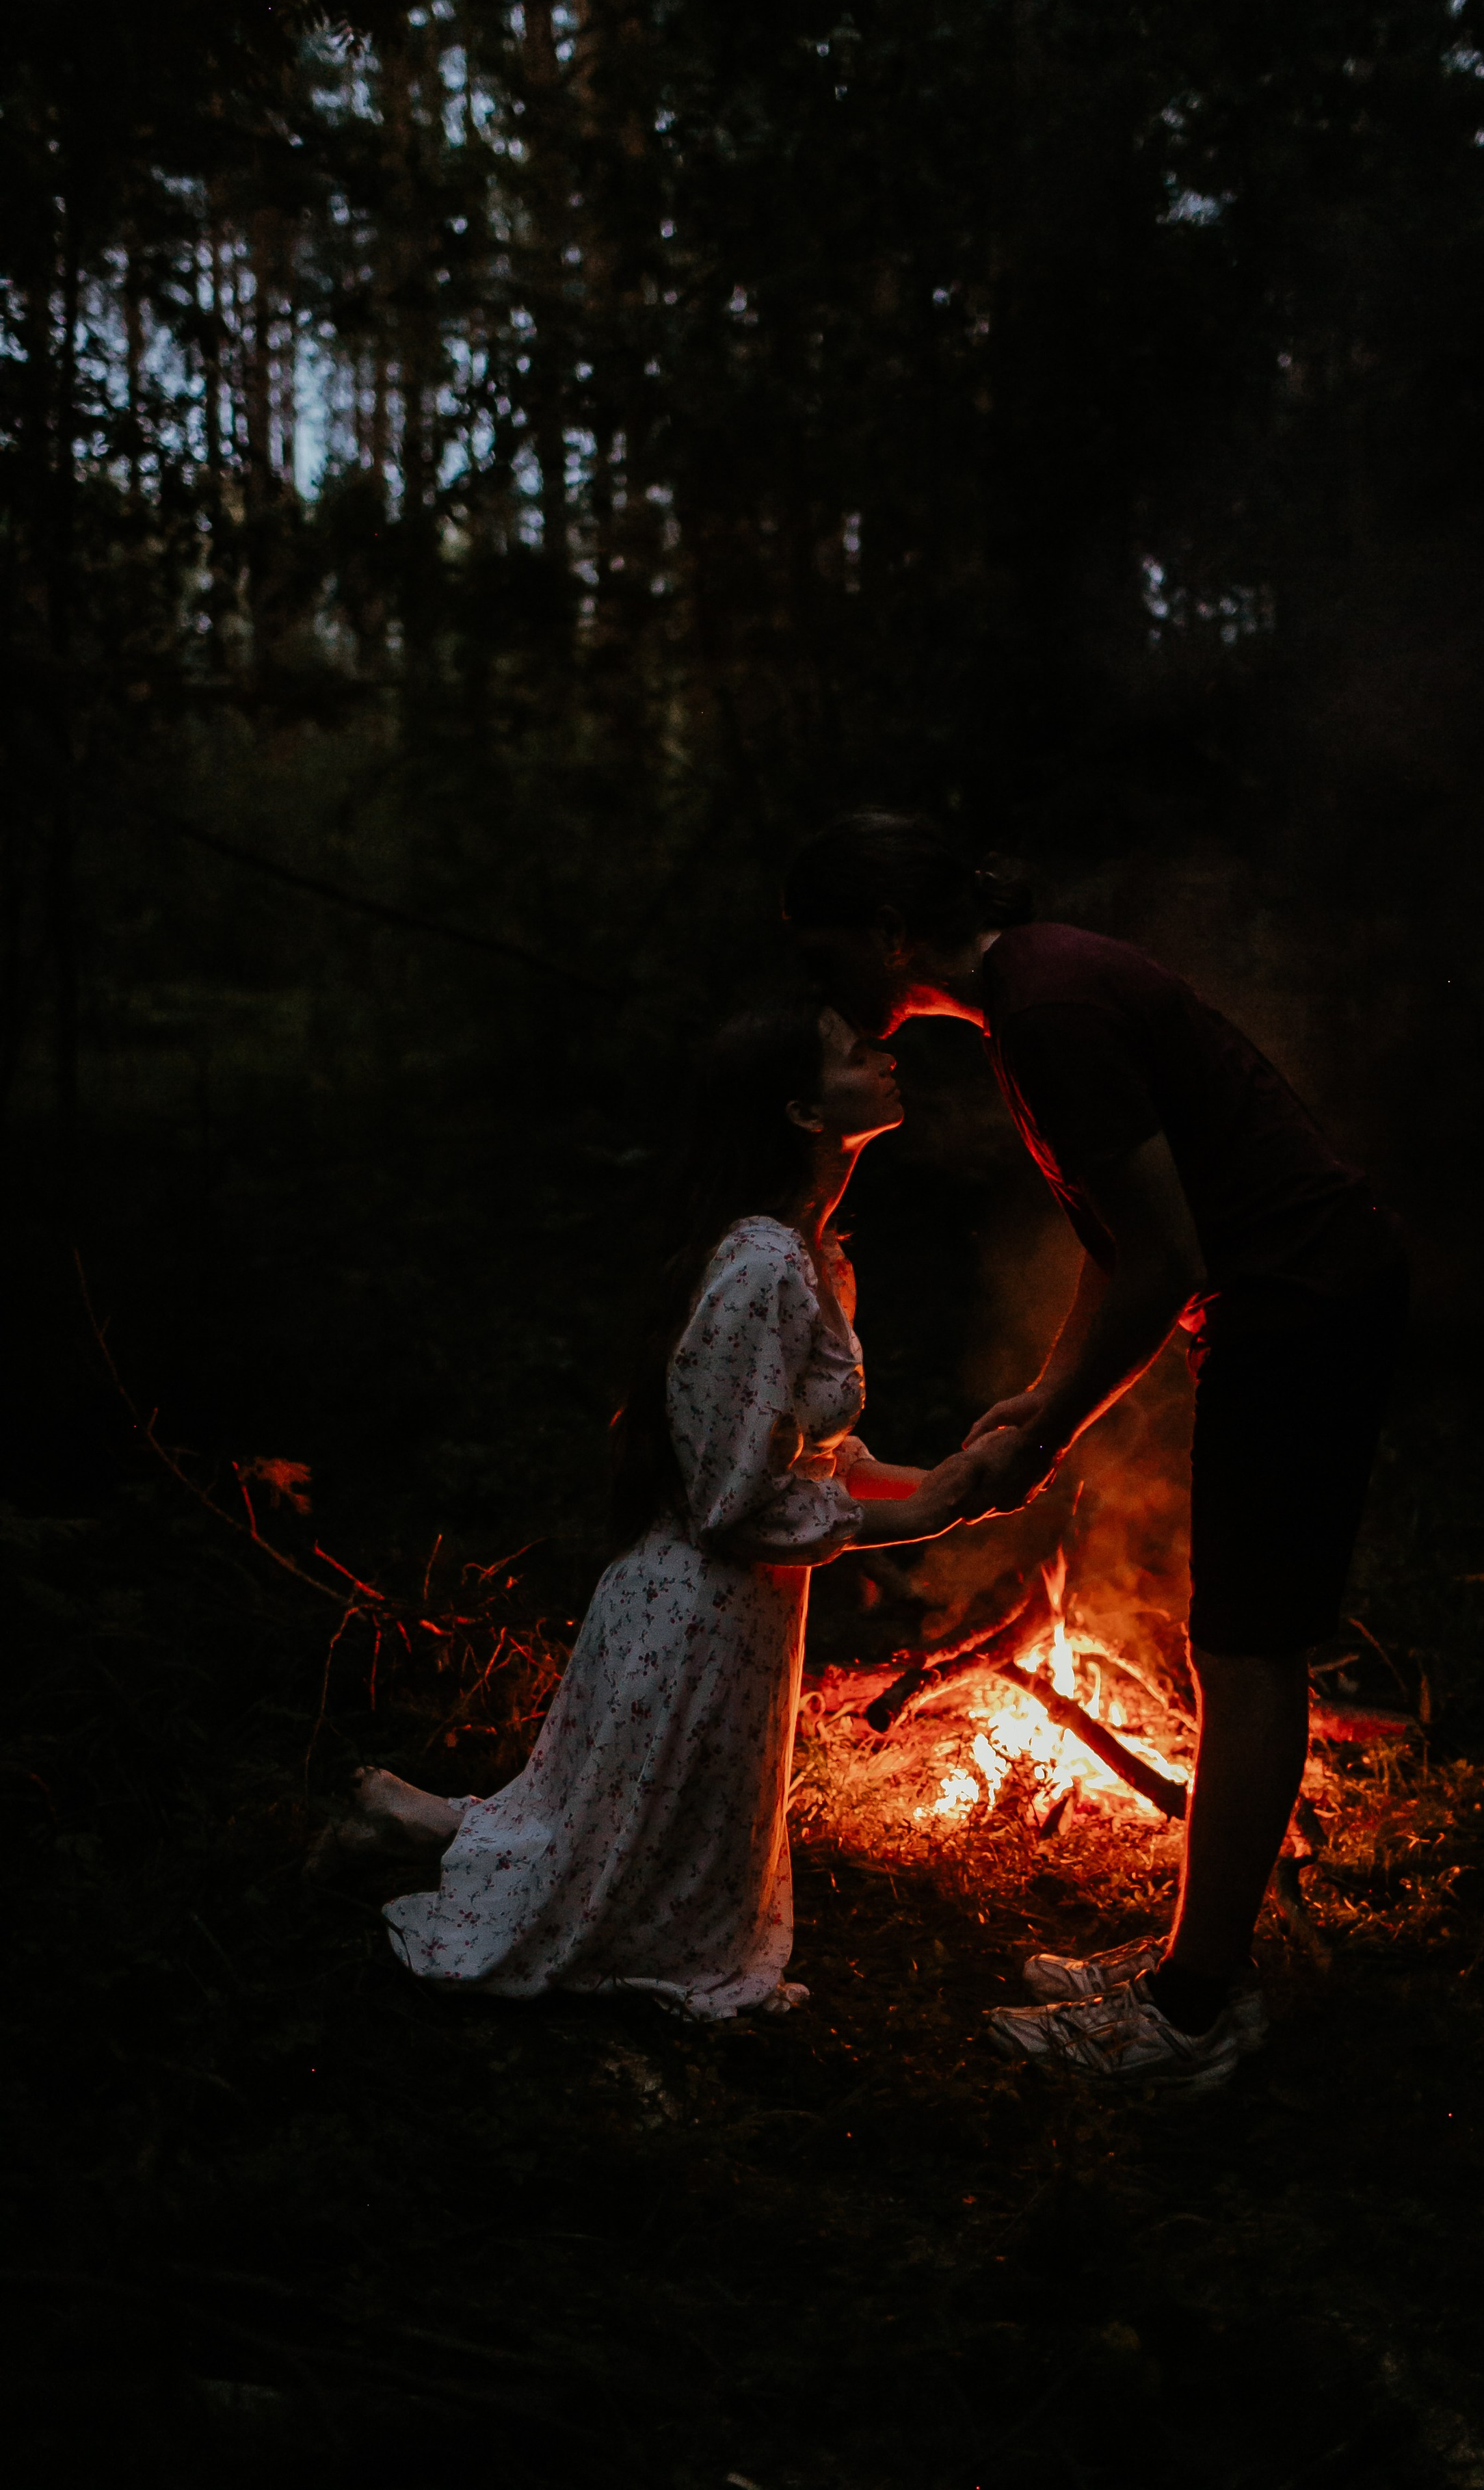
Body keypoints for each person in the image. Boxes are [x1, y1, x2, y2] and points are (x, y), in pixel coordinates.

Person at [785, 811, 1407, 2092]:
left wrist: (1046, 1434)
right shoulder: (1039, 992)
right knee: (1235, 1640)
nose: (822, 979)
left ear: (895, 935)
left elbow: (1167, 1255)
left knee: (1245, 1648)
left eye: (830, 947)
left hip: (1302, 1305)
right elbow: (1129, 1239)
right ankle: (1198, 1960)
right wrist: (1041, 1395)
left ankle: (1193, 2013)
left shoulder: (1052, 1012)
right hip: (1288, 1298)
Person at [325, 1003, 997, 2019]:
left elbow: (813, 1454)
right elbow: (735, 1501)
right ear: (804, 1111)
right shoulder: (764, 1264)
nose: (886, 1054)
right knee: (609, 1860)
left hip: (737, 1613)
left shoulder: (815, 1256)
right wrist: (920, 1516)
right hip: (690, 1613)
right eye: (857, 1052)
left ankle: (409, 1820)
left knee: (637, 1840)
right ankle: (407, 1834)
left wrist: (946, 1482)